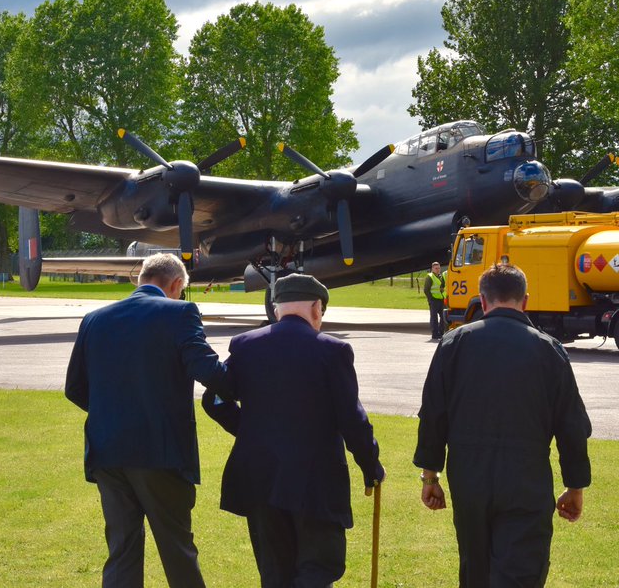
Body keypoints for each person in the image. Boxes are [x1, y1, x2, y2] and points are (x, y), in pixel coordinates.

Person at [414, 263, 592, 588]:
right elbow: (572, 425)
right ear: (525, 301)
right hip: (526, 480)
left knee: (475, 570)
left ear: (483, 301)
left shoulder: (454, 344)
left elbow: (433, 415)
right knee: (521, 572)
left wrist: (430, 476)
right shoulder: (548, 350)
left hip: (469, 480)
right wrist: (575, 485)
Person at [201, 273, 385, 588]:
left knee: (275, 572)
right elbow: (351, 419)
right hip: (315, 477)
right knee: (318, 566)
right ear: (317, 308)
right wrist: (370, 465)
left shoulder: (245, 345)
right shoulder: (333, 350)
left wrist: (253, 430)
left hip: (259, 475)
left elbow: (214, 401)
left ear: (276, 310)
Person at [65, 252, 230, 588]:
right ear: (177, 285)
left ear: (139, 280)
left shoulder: (95, 318)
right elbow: (209, 371)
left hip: (107, 450)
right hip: (161, 451)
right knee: (177, 550)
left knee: (121, 551)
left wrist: (114, 413)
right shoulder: (181, 311)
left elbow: (75, 388)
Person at [424, 261, 448, 339]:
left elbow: (442, 287)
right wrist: (430, 299)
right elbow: (426, 290)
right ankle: (434, 334)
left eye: (439, 268)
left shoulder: (441, 276)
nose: (438, 269)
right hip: (434, 300)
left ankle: (441, 333)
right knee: (434, 318)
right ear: (432, 269)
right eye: (436, 268)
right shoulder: (430, 277)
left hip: (441, 299)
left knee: (443, 317)